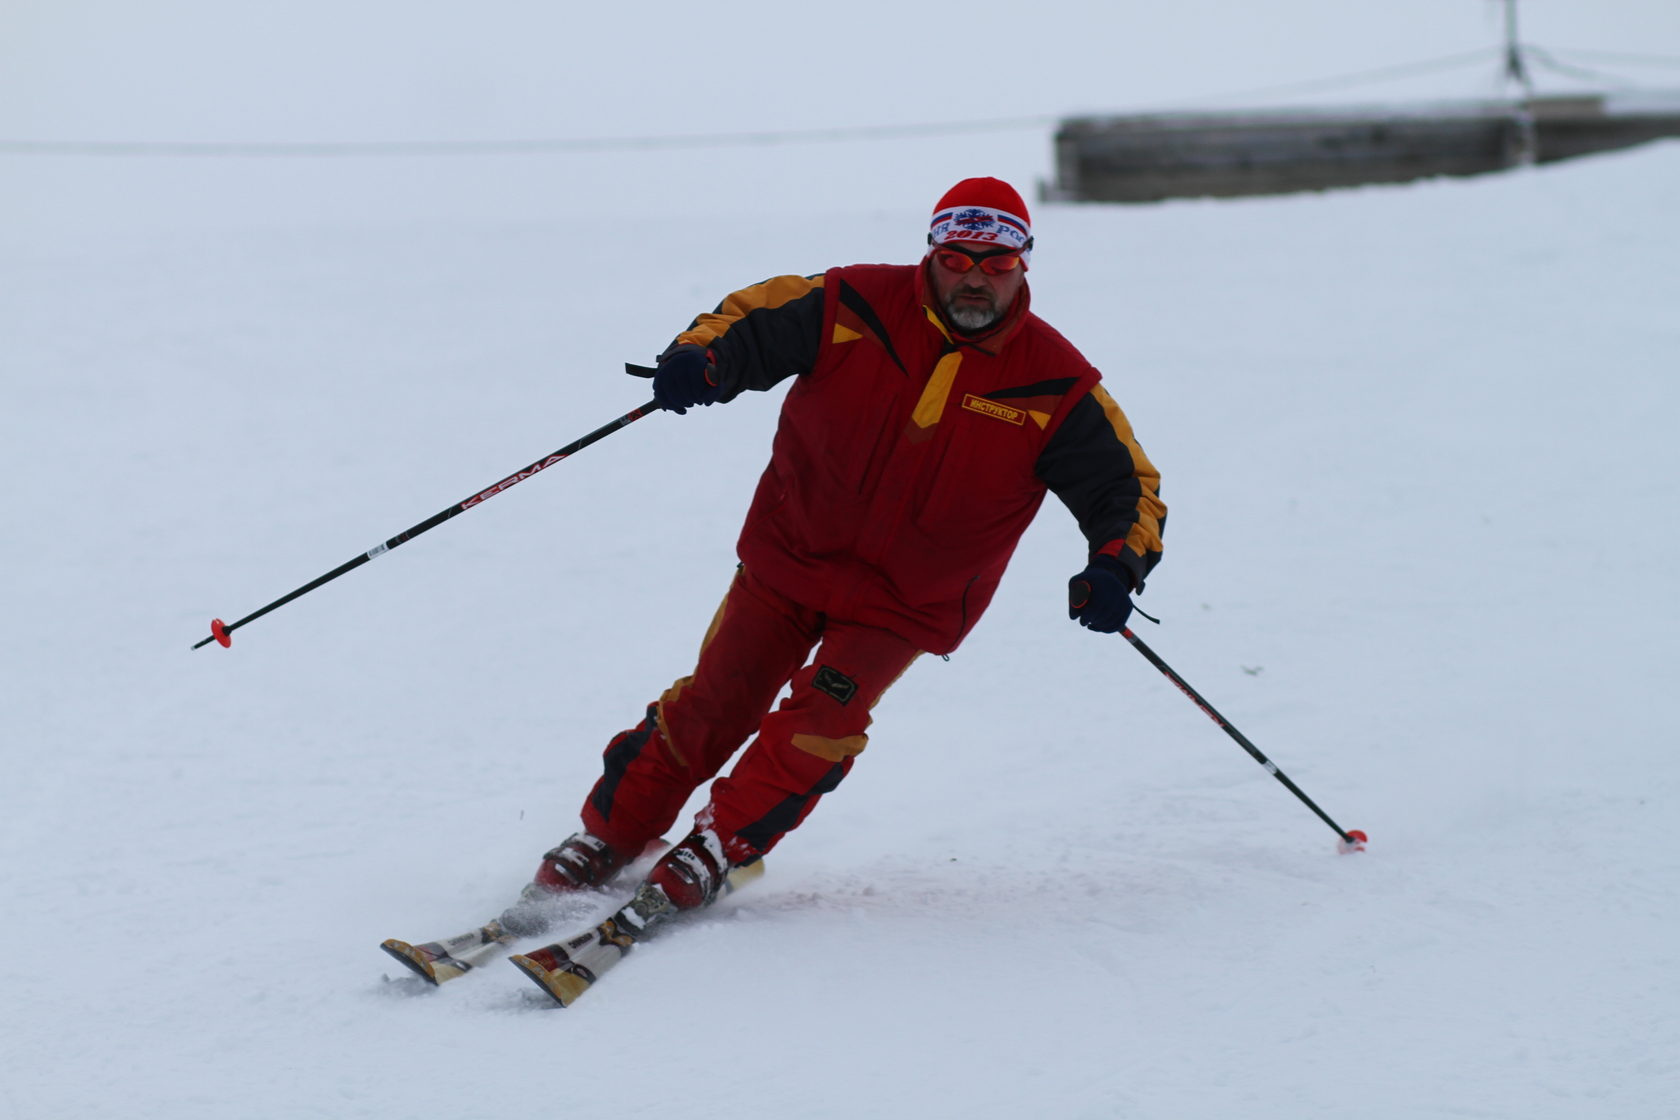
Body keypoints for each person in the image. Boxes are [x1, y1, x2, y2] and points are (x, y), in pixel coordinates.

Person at [510, 176, 1165, 945]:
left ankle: (719, 846)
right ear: (932, 253)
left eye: (997, 262)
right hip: (793, 554)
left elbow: (1127, 489)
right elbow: (747, 322)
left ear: (1023, 263)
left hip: (905, 601)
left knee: (821, 722)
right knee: (715, 703)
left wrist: (1115, 567)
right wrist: (702, 358)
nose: (975, 278)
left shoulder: (1057, 381)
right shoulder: (852, 304)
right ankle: (609, 836)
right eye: (958, 258)